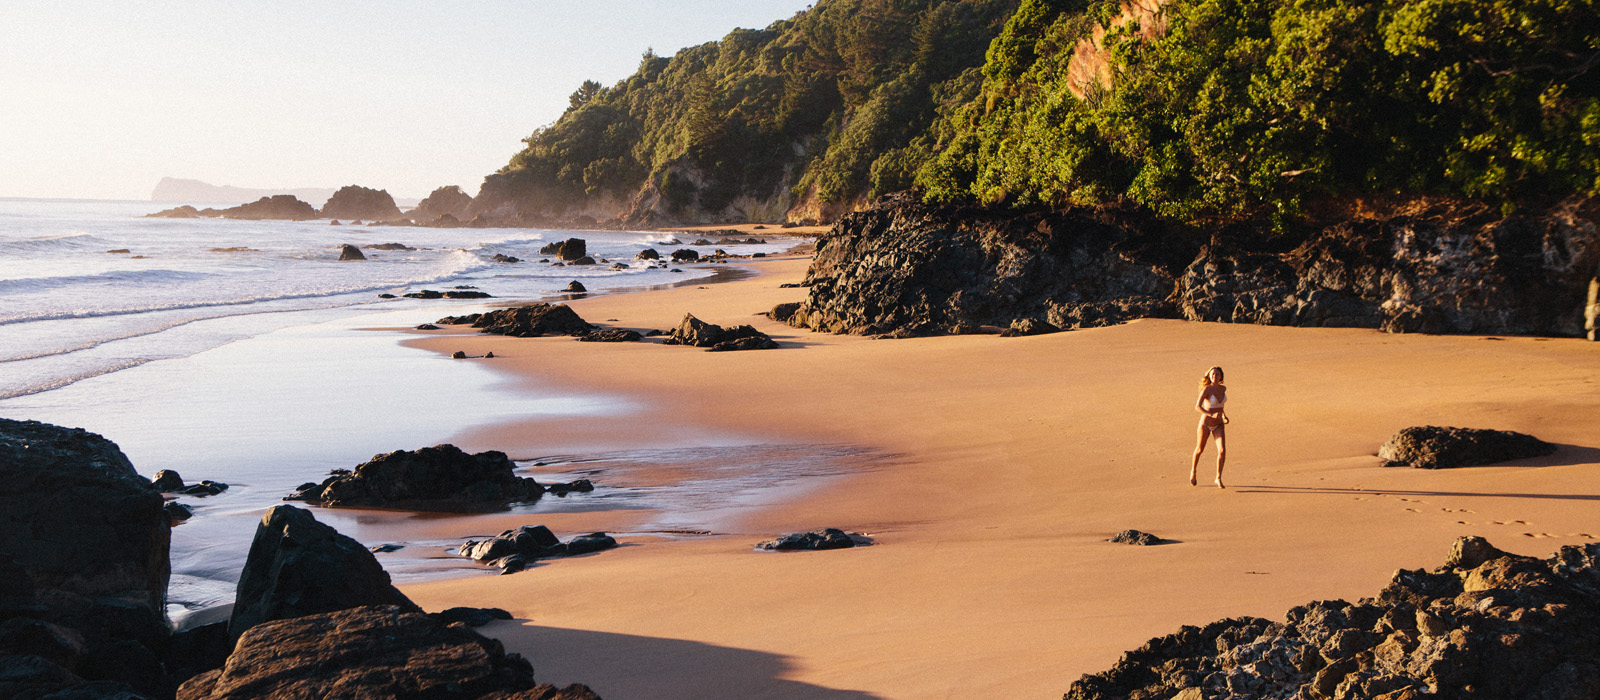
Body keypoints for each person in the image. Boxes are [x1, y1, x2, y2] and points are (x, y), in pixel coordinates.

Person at [1190, 366, 1228, 488]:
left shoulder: (1223, 389)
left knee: (1222, 450)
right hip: (1205, 424)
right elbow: (1197, 407)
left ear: (1221, 376)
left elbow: (1221, 407)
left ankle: (1218, 477)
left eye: (1217, 375)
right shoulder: (1206, 389)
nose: (1214, 377)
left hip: (1219, 424)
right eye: (1212, 375)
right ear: (1209, 376)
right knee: (1200, 449)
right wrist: (1210, 414)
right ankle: (1193, 471)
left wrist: (1224, 416)